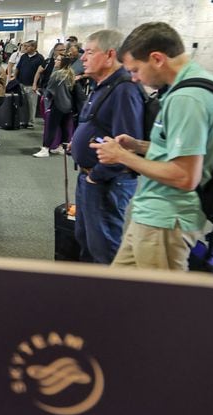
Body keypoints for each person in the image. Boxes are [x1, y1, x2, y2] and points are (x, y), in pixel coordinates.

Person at [90, 22, 213, 270]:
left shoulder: (187, 98)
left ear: (156, 59)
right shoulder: (200, 84)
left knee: (160, 304)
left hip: (166, 219)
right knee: (117, 293)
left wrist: (122, 156)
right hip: (155, 216)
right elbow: (182, 150)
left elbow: (185, 176)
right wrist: (139, 146)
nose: (133, 78)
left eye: (135, 70)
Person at [68, 30, 146, 264]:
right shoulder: (103, 85)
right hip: (91, 179)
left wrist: (96, 177)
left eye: (89, 52)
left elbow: (126, 144)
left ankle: (108, 298)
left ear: (111, 55)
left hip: (107, 182)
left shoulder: (124, 89)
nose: (83, 58)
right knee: (87, 241)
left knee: (103, 248)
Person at [33, 55, 78, 158]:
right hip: (68, 105)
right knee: (64, 126)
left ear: (63, 63)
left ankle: (45, 149)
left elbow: (50, 91)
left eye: (58, 60)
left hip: (58, 104)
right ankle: (61, 147)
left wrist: (41, 93)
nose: (55, 61)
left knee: (51, 127)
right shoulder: (71, 74)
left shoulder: (57, 74)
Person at [14, 40, 44, 129]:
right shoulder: (23, 56)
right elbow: (17, 68)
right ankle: (23, 121)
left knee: (32, 104)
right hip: (21, 83)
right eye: (25, 46)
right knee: (23, 104)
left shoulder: (40, 58)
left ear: (34, 48)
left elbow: (41, 73)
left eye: (28, 46)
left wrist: (36, 84)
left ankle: (31, 122)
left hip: (32, 85)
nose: (25, 48)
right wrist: (15, 79)